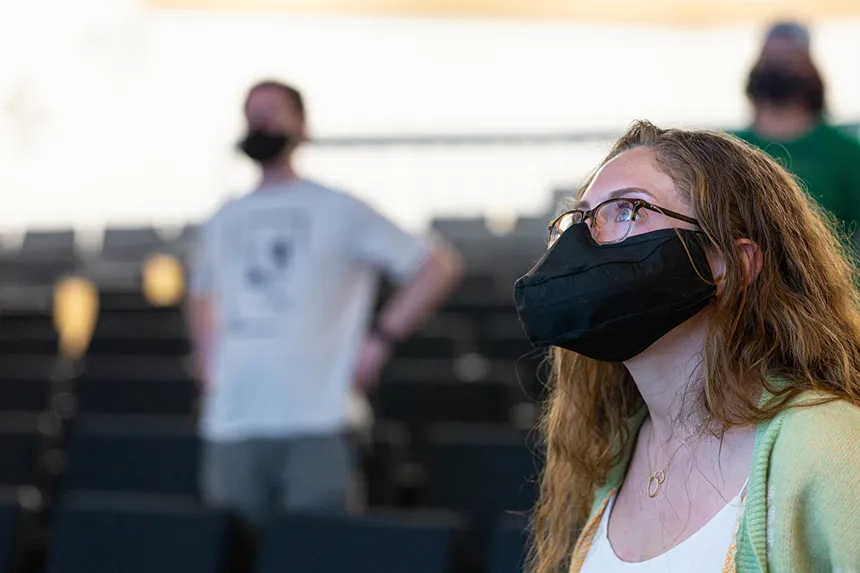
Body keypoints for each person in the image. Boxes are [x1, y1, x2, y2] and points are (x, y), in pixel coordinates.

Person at [514, 121, 860, 572]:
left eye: (626, 210)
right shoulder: (614, 447)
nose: (582, 241)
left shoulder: (825, 443)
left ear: (728, 266)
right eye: (580, 217)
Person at [187, 79, 463, 526]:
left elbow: (437, 266)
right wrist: (208, 362)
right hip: (232, 421)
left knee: (316, 554)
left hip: (317, 419)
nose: (261, 121)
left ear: (301, 125)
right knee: (231, 555)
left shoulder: (339, 209)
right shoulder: (224, 218)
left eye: (273, 110)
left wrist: (381, 339)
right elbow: (201, 293)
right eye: (253, 112)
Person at [736, 21, 860, 235]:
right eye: (773, 56)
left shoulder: (847, 153)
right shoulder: (730, 150)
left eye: (790, 58)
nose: (780, 64)